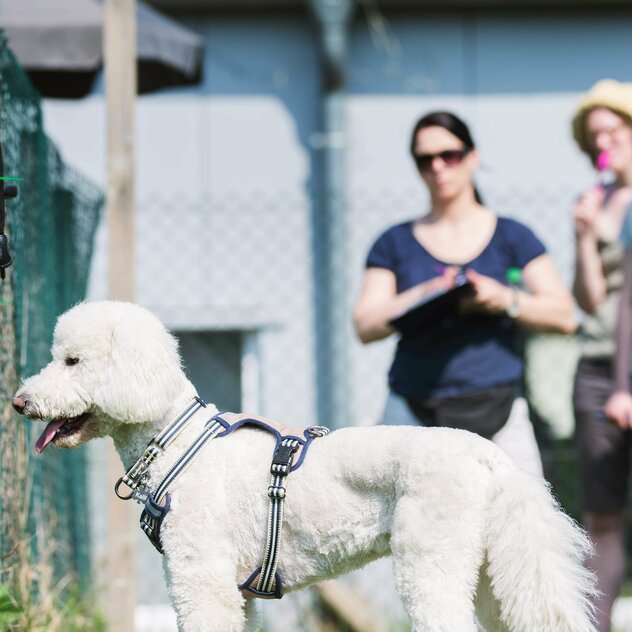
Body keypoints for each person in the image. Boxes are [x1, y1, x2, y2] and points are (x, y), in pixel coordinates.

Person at [353, 110, 576, 479]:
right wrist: (426, 293)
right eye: (425, 160)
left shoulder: (513, 235)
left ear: (473, 157)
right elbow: (365, 324)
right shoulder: (393, 242)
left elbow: (564, 315)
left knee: (522, 524)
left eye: (449, 155)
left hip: (499, 409)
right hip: (411, 411)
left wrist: (505, 299)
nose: (438, 167)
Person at [571, 79, 632, 632]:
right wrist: (587, 238)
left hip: (628, 374)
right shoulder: (597, 201)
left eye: (614, 129)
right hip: (597, 365)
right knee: (603, 513)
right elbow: (588, 299)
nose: (604, 143)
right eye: (596, 136)